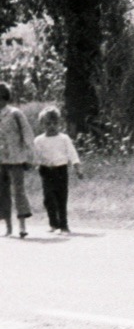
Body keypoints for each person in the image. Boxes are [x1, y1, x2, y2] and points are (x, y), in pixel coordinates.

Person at [32, 104, 81, 235]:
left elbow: (72, 153)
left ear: (59, 123)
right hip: (46, 170)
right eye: (48, 123)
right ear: (42, 124)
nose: (51, 126)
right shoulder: (39, 140)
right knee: (48, 198)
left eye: (54, 123)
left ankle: (64, 225)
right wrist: (32, 164)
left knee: (61, 197)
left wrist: (77, 168)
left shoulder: (64, 139)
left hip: (61, 170)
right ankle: (53, 223)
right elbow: (35, 156)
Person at [0, 82, 37, 238]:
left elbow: (27, 135)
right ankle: (8, 227)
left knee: (18, 191)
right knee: (2, 193)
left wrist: (31, 156)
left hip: (16, 158)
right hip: (1, 159)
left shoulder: (15, 113)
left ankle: (22, 226)